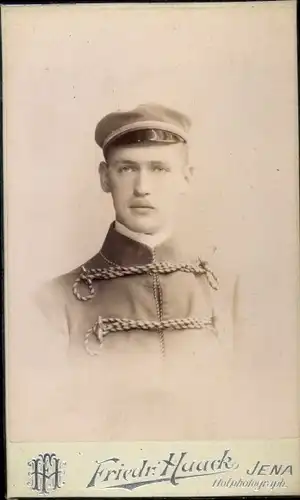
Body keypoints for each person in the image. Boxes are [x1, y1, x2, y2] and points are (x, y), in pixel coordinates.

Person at [28, 103, 239, 441]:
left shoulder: (229, 292)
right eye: (127, 169)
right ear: (104, 177)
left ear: (186, 179)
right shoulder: (54, 302)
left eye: (159, 169)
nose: (143, 187)